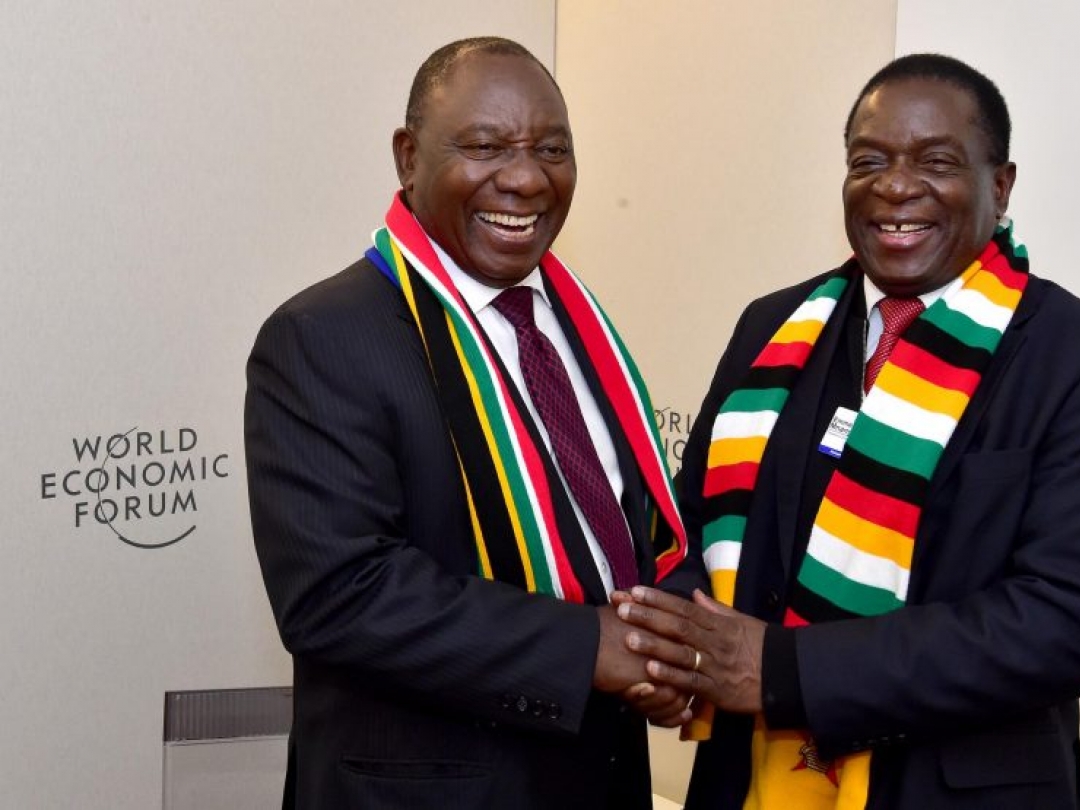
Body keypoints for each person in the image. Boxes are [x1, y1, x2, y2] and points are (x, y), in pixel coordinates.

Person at [244, 36, 706, 810]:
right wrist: (592, 649)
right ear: (408, 158)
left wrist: (662, 647)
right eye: (486, 146)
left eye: (551, 149)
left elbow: (626, 537)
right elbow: (339, 593)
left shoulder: (579, 327)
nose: (525, 177)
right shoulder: (322, 337)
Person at [616, 53, 1080, 809]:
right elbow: (690, 522)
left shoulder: (1064, 350)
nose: (895, 186)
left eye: (936, 162)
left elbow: (1057, 621)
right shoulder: (772, 327)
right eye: (869, 161)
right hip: (744, 782)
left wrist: (784, 671)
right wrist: (679, 650)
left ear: (1000, 186)